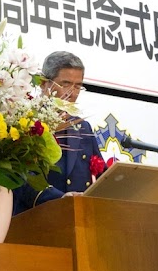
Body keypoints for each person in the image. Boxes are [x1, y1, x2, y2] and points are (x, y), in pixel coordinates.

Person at [12, 50, 101, 214]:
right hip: (34, 218)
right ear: (43, 83)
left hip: (77, 219)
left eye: (78, 86)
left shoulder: (83, 127)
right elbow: (21, 177)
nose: (72, 93)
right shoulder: (24, 121)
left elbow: (101, 173)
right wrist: (59, 199)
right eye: (65, 84)